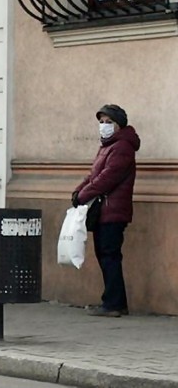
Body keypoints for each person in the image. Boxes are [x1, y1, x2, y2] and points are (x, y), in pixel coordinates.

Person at [72, 104, 140, 318]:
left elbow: (108, 178)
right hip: (103, 211)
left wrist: (84, 195)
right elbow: (93, 175)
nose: (103, 126)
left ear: (119, 125)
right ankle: (113, 302)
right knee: (105, 255)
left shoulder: (122, 147)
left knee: (109, 256)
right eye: (101, 122)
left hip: (113, 211)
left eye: (108, 122)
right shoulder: (107, 146)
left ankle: (113, 304)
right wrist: (78, 190)